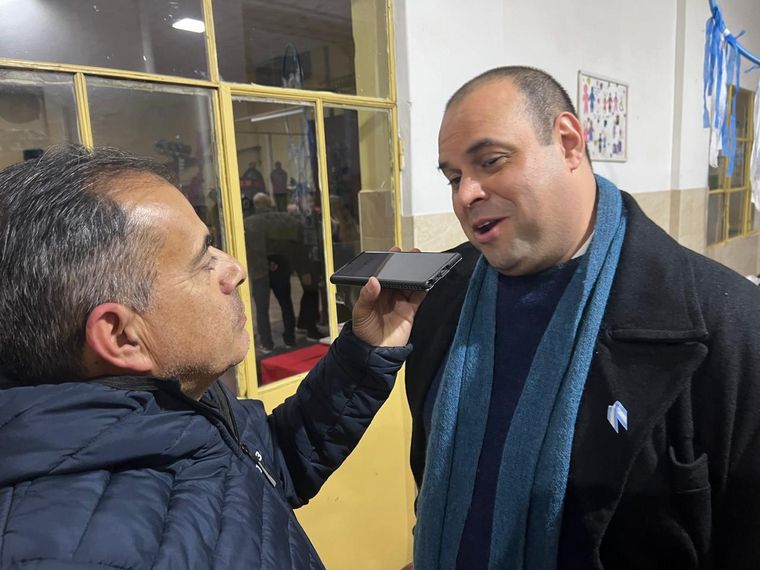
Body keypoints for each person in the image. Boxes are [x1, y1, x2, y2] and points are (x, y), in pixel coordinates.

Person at [0, 145, 426, 569]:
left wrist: (366, 349)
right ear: (121, 336)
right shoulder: (85, 554)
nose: (235, 269)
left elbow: (271, 461)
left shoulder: (172, 400)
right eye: (203, 260)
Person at [406, 66, 760, 569]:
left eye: (491, 161)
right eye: (454, 177)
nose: (466, 195)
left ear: (569, 143)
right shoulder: (442, 294)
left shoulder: (728, 325)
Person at [244, 192, 300, 352]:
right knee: (286, 304)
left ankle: (267, 343)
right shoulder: (284, 219)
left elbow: (251, 248)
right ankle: (290, 339)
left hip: (260, 268)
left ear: (256, 205)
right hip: (280, 266)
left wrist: (266, 261)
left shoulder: (250, 223)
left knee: (262, 309)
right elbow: (292, 243)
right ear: (270, 203)